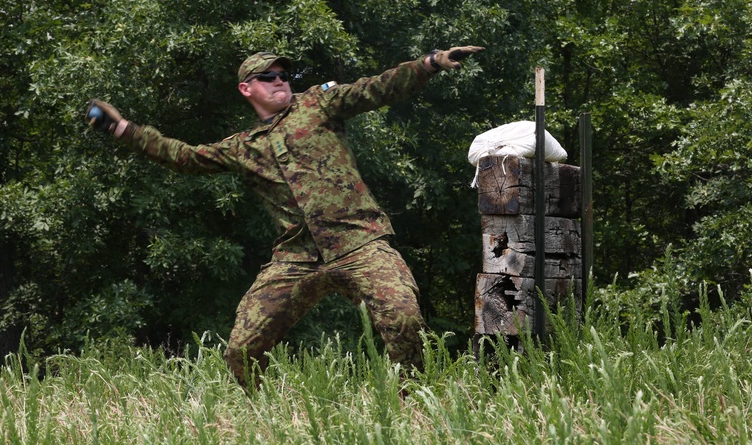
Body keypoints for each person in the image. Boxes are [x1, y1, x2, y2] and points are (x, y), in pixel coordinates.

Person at [86, 45, 483, 388]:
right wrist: (123, 129)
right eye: (268, 76)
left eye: (283, 75)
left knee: (404, 318)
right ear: (247, 88)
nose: (280, 81)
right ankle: (265, 417)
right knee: (242, 349)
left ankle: (414, 404)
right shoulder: (242, 147)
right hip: (296, 259)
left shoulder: (318, 103)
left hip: (359, 241)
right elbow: (186, 157)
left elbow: (376, 89)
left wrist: (429, 63)